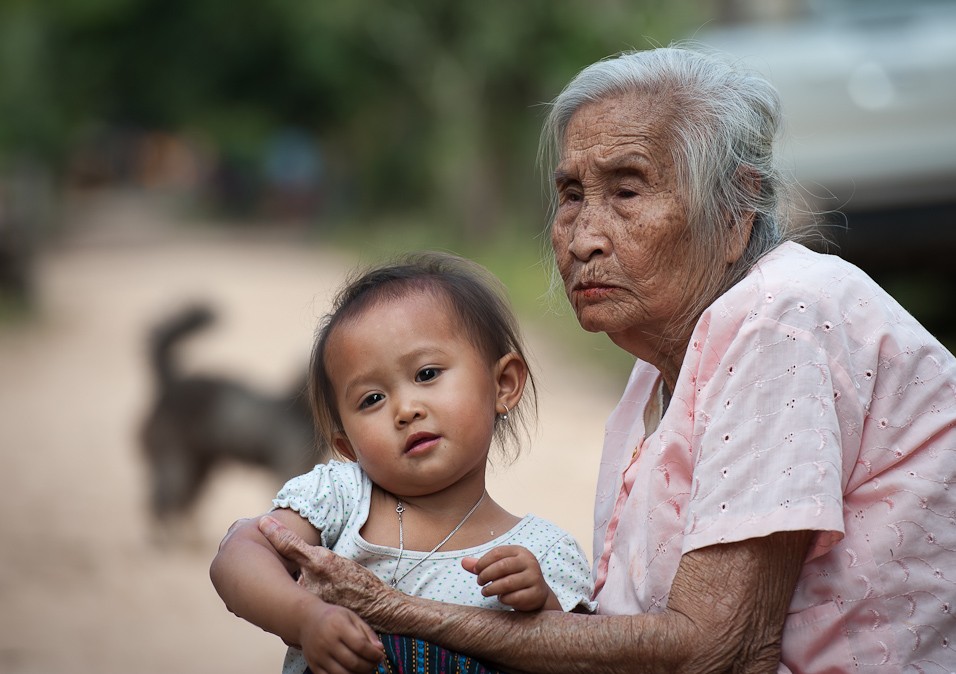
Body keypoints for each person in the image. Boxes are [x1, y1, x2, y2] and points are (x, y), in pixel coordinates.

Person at [251, 45, 956, 673]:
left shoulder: (786, 317)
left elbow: (718, 651)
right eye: (570, 195)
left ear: (736, 211)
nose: (583, 236)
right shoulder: (659, 367)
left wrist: (397, 610)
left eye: (626, 191)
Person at [210, 252, 595, 674]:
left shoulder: (544, 552)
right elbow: (237, 555)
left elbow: (585, 657)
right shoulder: (343, 498)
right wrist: (305, 617)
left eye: (427, 374)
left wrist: (542, 605)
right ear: (347, 445)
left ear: (503, 384)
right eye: (372, 399)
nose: (405, 409)